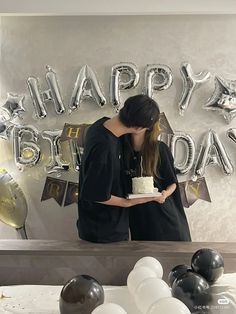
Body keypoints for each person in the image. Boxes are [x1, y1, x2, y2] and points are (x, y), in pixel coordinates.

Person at [77, 94, 162, 243]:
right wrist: (127, 202)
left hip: (96, 223)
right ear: (138, 128)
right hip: (104, 231)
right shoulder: (104, 148)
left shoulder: (100, 125)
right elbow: (93, 194)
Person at [123, 116, 191, 241]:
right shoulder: (121, 151)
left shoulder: (159, 149)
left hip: (163, 216)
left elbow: (172, 183)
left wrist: (165, 194)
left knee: (173, 258)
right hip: (138, 219)